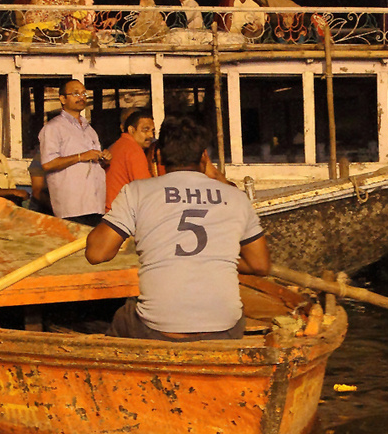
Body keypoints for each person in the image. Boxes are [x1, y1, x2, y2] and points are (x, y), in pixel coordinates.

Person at [86, 117, 270, 341]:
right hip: (224, 328)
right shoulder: (236, 198)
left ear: (160, 156)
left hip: (157, 328)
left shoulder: (137, 192)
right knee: (237, 314)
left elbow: (97, 254)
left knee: (122, 316)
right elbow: (260, 265)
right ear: (204, 157)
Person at [38, 80, 108, 226]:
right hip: (72, 208)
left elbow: (95, 161)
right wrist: (81, 157)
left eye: (84, 93)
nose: (81, 97)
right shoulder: (53, 128)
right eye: (75, 93)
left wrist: (104, 158)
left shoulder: (89, 129)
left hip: (95, 204)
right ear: (62, 99)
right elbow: (48, 164)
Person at [105, 109, 157, 210]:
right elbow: (145, 189)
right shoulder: (133, 150)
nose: (151, 135)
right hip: (122, 213)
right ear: (131, 130)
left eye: (152, 130)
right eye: (145, 130)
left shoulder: (117, 146)